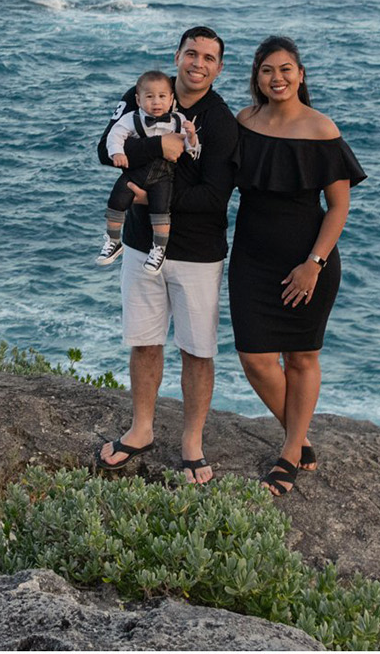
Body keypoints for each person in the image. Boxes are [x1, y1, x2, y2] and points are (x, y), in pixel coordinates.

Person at [93, 26, 237, 485]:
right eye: (191, 53)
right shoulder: (144, 93)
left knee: (196, 349)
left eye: (208, 58)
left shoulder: (220, 121)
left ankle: (192, 442)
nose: (198, 63)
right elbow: (104, 149)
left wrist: (147, 197)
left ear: (218, 68)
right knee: (144, 340)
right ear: (177, 56)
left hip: (197, 254)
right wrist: (157, 147)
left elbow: (214, 197)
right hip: (139, 245)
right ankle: (141, 429)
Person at [228, 36, 366, 499]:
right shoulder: (244, 121)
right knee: (254, 357)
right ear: (257, 78)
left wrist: (313, 264)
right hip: (251, 257)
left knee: (302, 357)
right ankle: (299, 433)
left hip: (308, 261)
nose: (277, 78)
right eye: (268, 70)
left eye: (286, 69)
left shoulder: (321, 130)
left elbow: (339, 208)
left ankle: (289, 452)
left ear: (301, 75)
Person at [97, 70, 200, 273]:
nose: (156, 102)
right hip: (134, 173)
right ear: (138, 99)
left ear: (171, 99)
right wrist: (117, 152)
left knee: (160, 212)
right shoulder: (131, 118)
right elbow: (114, 136)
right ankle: (113, 240)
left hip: (163, 176)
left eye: (162, 97)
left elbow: (189, 150)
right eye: (149, 97)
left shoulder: (178, 120)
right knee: (116, 201)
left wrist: (192, 137)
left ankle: (158, 249)